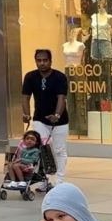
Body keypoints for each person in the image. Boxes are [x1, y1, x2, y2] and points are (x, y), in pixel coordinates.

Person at [21, 49, 70, 191]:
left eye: (45, 60)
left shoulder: (59, 77)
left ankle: (59, 181)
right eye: (39, 60)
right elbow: (25, 97)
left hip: (60, 121)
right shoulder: (30, 77)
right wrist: (26, 114)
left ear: (50, 61)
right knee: (42, 148)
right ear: (35, 61)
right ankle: (45, 180)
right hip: (40, 119)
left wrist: (57, 115)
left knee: (59, 150)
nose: (42, 63)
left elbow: (62, 98)